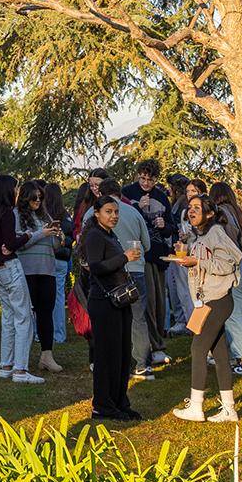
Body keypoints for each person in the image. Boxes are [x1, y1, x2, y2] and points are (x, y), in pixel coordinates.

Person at [171, 194, 242, 422]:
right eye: (189, 208)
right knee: (220, 353)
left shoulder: (216, 233)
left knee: (198, 348)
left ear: (209, 213)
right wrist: (185, 252)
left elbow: (230, 261)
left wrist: (197, 262)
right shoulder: (198, 236)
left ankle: (196, 406)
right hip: (209, 300)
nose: (191, 211)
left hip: (218, 300)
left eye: (196, 208)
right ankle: (229, 409)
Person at [78, 194, 140, 421]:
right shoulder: (94, 235)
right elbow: (95, 267)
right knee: (107, 356)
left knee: (123, 353)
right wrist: (124, 257)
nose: (114, 216)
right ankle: (103, 405)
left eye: (116, 212)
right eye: (108, 212)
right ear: (97, 214)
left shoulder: (109, 234)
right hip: (104, 302)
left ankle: (119, 401)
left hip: (119, 300)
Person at [0, 173, 47, 385]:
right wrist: (28, 236)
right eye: (16, 188)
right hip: (10, 266)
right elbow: (10, 243)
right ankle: (20, 368)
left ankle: (6, 365)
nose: (18, 192)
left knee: (8, 317)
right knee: (24, 318)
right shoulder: (8, 214)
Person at [102, 178, 155, 378]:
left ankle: (113, 360)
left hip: (109, 271)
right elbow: (147, 244)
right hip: (135, 269)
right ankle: (142, 363)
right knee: (138, 317)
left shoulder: (95, 212)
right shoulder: (133, 212)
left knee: (110, 317)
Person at [16, 181, 64, 374]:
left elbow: (55, 247)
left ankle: (47, 355)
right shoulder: (17, 216)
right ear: (25, 197)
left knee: (46, 314)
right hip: (27, 271)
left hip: (47, 270)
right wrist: (40, 233)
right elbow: (19, 243)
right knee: (26, 315)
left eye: (40, 197)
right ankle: (22, 357)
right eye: (34, 197)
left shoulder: (45, 216)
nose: (37, 201)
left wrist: (57, 236)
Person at [130, 160, 172, 366]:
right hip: (140, 256)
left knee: (159, 303)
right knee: (147, 304)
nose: (145, 183)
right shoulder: (128, 193)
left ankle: (157, 343)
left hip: (159, 255)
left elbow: (171, 227)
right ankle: (153, 346)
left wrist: (164, 225)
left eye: (150, 179)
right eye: (143, 178)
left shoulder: (162, 197)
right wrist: (139, 206)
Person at [209, 182, 242, 374]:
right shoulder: (239, 212)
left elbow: (227, 242)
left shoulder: (221, 214)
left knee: (235, 315)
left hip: (236, 266)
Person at [42, 182, 73, 345]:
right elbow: (71, 237)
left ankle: (40, 333)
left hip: (47, 258)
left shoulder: (43, 215)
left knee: (43, 298)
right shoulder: (65, 215)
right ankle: (59, 334)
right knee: (59, 297)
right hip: (61, 259)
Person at [163, 175, 193, 334]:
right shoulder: (179, 203)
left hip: (182, 249)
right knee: (176, 287)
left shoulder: (182, 205)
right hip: (176, 250)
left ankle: (189, 321)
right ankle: (183, 320)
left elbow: (182, 227)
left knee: (183, 288)